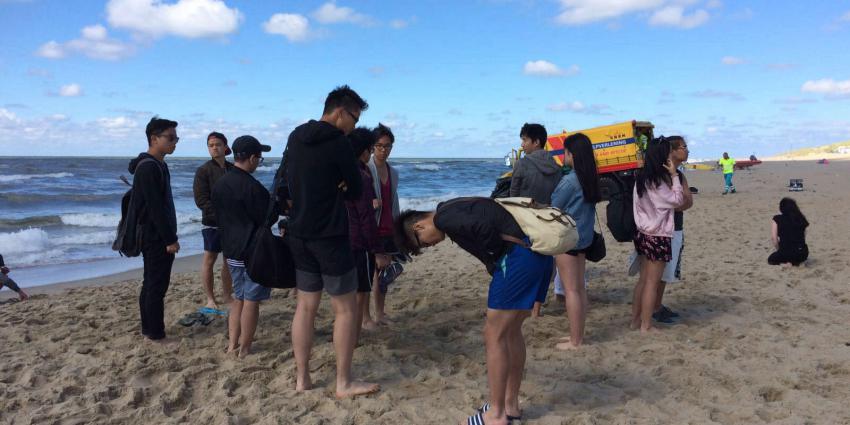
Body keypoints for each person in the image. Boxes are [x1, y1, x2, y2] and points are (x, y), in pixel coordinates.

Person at [395, 197, 553, 425]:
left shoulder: (444, 217)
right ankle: (510, 406)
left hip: (516, 259)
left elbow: (484, 229)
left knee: (493, 335)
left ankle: (496, 415)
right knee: (511, 332)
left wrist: (496, 259)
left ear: (418, 226)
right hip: (533, 254)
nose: (431, 246)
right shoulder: (453, 207)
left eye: (424, 244)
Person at [282, 85, 378, 398]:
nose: (354, 125)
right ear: (339, 112)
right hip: (331, 236)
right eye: (354, 118)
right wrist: (339, 185)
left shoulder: (296, 136)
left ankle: (302, 379)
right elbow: (356, 189)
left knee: (305, 307)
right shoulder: (339, 142)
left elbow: (284, 181)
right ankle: (343, 382)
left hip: (299, 233)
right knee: (345, 310)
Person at [212, 135, 273, 357]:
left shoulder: (220, 184)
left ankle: (232, 345)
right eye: (259, 158)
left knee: (238, 298)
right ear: (252, 158)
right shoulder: (253, 187)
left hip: (231, 250)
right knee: (251, 300)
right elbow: (267, 218)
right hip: (253, 252)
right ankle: (245, 347)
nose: (259, 162)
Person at [129, 116, 180, 341]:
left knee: (152, 282)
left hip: (155, 233)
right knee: (156, 285)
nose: (174, 142)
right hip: (154, 236)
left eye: (176, 138)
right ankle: (155, 333)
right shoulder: (149, 167)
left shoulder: (158, 164)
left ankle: (149, 329)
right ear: (154, 139)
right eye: (170, 137)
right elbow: (155, 208)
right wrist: (170, 239)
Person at [549, 133, 601, 349]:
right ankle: (577, 335)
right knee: (579, 289)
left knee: (571, 290)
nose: (564, 156)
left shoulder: (570, 180)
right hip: (584, 237)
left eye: (566, 152)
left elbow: (553, 206)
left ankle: (575, 340)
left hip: (569, 239)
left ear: (572, 154)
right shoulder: (589, 176)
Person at [631, 137, 684, 334]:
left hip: (643, 233)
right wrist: (675, 176)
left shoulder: (641, 178)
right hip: (658, 235)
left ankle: (635, 321)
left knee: (643, 280)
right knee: (652, 283)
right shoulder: (658, 181)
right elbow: (677, 200)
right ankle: (646, 325)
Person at [344, 127, 391, 342]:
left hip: (339, 239)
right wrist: (377, 250)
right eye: (372, 148)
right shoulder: (361, 176)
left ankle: (349, 335)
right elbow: (366, 218)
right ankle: (352, 339)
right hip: (358, 242)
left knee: (345, 295)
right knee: (360, 293)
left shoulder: (340, 172)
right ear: (364, 151)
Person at [651, 136, 693, 323]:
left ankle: (657, 306)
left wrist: (672, 205)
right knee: (656, 274)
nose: (687, 150)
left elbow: (688, 201)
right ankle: (654, 308)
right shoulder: (661, 175)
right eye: (683, 147)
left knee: (665, 273)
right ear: (672, 151)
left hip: (674, 226)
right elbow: (677, 202)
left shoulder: (679, 175)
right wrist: (674, 204)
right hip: (662, 229)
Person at [364, 123, 402, 328]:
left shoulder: (393, 172)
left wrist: (399, 226)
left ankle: (379, 313)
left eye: (387, 146)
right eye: (379, 146)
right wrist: (369, 204)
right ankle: (365, 318)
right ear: (372, 147)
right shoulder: (365, 169)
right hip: (370, 228)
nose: (383, 150)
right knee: (367, 275)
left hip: (388, 227)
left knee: (384, 274)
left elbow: (393, 201)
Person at [193, 131, 234, 310]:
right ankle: (210, 298)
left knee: (229, 260)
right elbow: (201, 200)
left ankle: (227, 295)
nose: (214, 148)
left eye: (218, 144)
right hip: (212, 222)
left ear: (225, 147)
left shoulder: (233, 169)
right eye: (211, 145)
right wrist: (221, 214)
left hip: (232, 223)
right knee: (209, 259)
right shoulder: (203, 170)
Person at [509, 123, 561, 204]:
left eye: (525, 140)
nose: (522, 144)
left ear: (536, 142)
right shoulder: (557, 167)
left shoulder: (521, 164)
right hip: (548, 211)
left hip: (524, 211)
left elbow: (513, 198)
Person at [768, 198, 809, 266]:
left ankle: (787, 263)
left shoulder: (777, 219)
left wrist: (779, 250)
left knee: (771, 259)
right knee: (795, 254)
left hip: (786, 252)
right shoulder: (801, 218)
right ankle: (796, 262)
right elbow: (803, 237)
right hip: (802, 253)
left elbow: (774, 238)